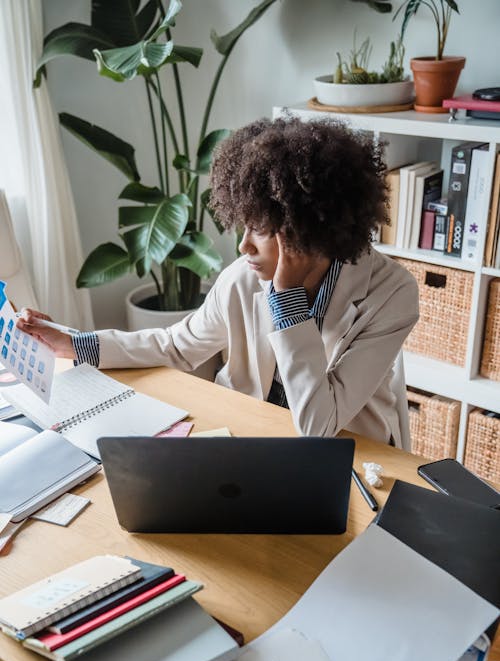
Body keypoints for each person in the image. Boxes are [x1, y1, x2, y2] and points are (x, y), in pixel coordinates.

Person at [17, 116, 419, 446]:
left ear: (308, 226)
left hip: (350, 457)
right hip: (248, 439)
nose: (243, 245)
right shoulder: (243, 279)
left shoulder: (391, 295)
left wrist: (287, 301)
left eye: (258, 228)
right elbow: (174, 346)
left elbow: (319, 424)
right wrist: (73, 341)